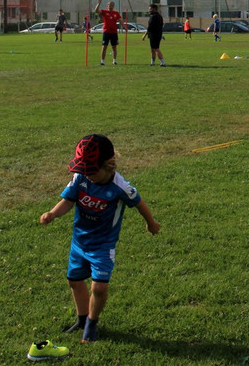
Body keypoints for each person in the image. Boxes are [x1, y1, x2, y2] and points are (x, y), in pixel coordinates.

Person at [39, 134, 160, 344]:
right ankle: (82, 319)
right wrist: (52, 213)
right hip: (79, 242)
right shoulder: (81, 178)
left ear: (108, 165)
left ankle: (91, 325)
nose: (87, 175)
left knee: (99, 287)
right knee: (74, 281)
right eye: (84, 170)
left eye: (91, 171)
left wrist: (151, 223)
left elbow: (139, 203)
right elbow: (68, 200)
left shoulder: (120, 187)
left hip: (103, 246)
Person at [94, 0, 121, 66]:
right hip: (106, 32)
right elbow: (96, 10)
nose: (110, 6)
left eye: (112, 5)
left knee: (114, 47)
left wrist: (124, 26)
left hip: (114, 32)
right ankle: (102, 61)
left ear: (113, 6)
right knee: (104, 47)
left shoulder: (116, 13)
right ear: (107, 6)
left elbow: (120, 20)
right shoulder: (104, 12)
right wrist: (99, 3)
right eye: (109, 5)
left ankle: (114, 61)